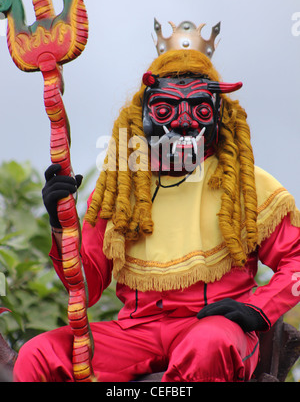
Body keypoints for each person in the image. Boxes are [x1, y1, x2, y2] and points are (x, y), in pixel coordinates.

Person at [13, 21, 300, 382]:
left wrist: (258, 308)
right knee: (38, 354)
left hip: (214, 327)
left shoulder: (248, 184)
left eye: (199, 110)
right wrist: (61, 224)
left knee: (208, 344)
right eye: (166, 110)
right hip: (135, 333)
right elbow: (83, 287)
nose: (182, 123)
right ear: (144, 115)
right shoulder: (121, 185)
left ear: (219, 115)